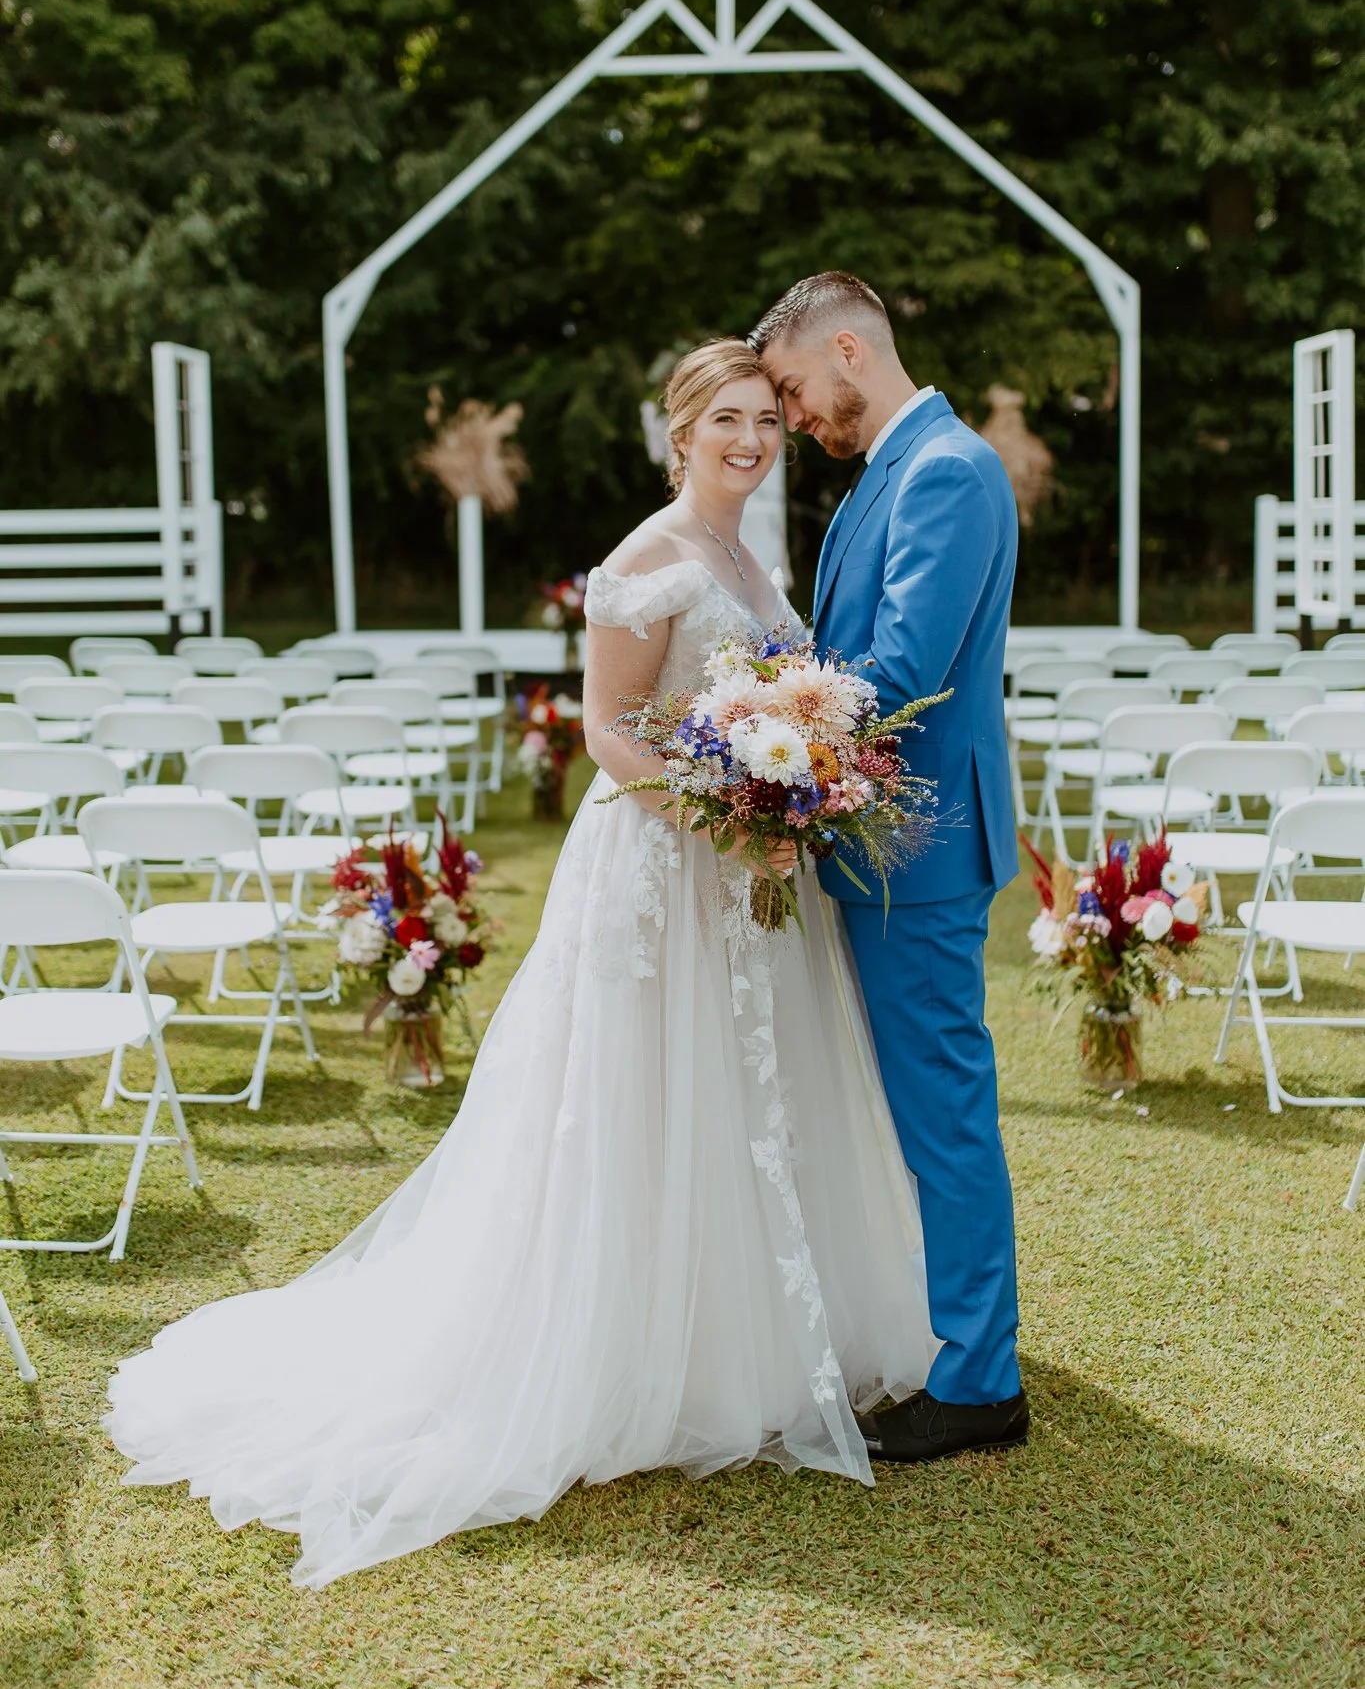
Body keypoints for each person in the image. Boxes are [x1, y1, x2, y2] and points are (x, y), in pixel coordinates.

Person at [105, 338, 936, 1589]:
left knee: (745, 1090)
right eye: (727, 418)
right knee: (643, 1100)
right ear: (679, 432)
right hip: (664, 864)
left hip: (745, 870)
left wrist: (784, 797)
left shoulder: (748, 555)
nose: (752, 439)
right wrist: (726, 815)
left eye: (768, 418)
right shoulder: (647, 556)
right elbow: (609, 730)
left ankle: (744, 1338)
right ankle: (629, 1351)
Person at [751, 271, 1027, 1463]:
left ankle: (979, 1380)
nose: (794, 416)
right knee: (915, 1104)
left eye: (796, 389)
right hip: (878, 842)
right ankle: (953, 1326)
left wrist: (759, 733)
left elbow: (904, 668)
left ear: (851, 350)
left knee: (943, 1109)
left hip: (919, 845)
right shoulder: (887, 471)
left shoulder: (947, 470)